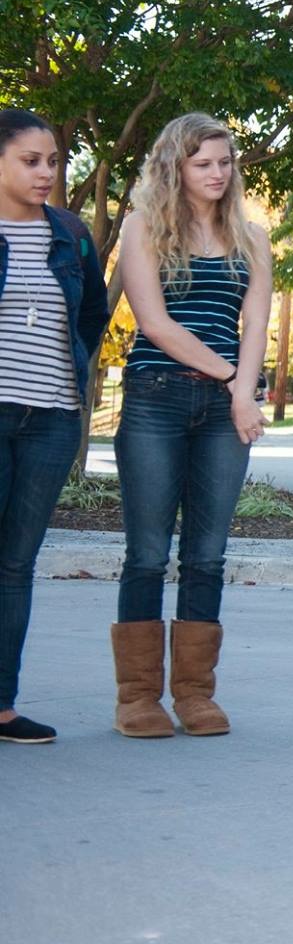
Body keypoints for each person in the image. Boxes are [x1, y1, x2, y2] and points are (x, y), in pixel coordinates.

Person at [113, 112, 272, 738]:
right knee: (148, 553)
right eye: (202, 163)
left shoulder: (251, 237)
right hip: (156, 398)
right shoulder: (143, 226)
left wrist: (241, 394)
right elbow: (154, 323)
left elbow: (255, 325)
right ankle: (137, 699)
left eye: (224, 162)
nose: (216, 173)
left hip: (224, 411)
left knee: (207, 554)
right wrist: (234, 380)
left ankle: (195, 695)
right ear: (174, 166)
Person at [0, 109, 110, 745]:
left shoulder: (70, 234)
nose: (46, 173)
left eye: (52, 162)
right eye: (30, 161)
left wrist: (72, 376)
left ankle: (2, 707)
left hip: (51, 420)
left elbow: (92, 312)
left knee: (16, 564)